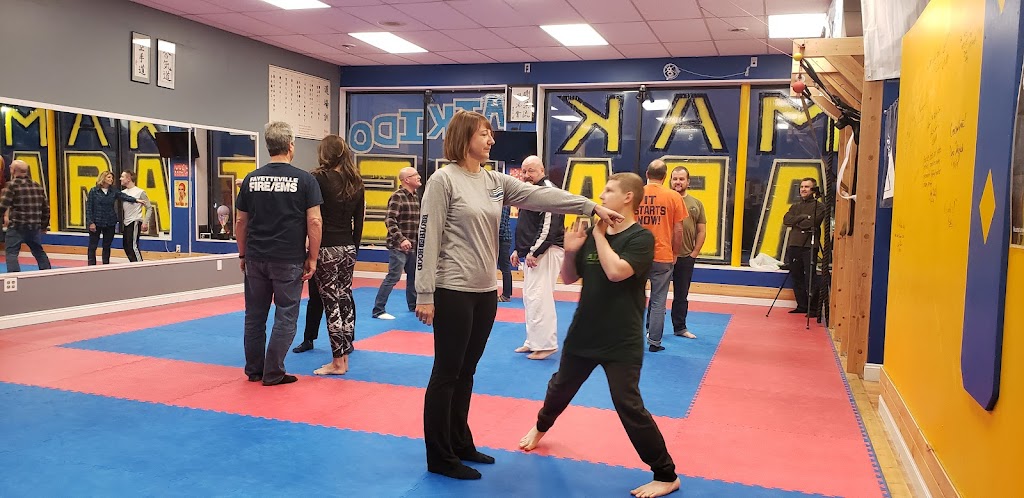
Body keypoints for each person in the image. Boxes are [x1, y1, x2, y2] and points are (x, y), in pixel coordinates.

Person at [415, 110, 624, 480]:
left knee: (467, 372)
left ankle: (460, 443)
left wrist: (590, 206)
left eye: (490, 133)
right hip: (451, 289)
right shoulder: (442, 181)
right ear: (464, 138)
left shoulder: (495, 181)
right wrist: (424, 292)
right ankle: (439, 455)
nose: (491, 140)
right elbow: (427, 237)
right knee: (447, 372)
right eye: (484, 134)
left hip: (484, 291)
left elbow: (543, 196)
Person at [518, 173, 681, 498]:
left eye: (609, 190)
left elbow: (616, 272)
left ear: (628, 197)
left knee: (628, 404)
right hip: (584, 332)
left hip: (621, 337)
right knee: (560, 388)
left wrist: (598, 234)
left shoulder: (641, 238)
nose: (602, 196)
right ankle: (540, 427)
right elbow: (568, 278)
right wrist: (570, 251)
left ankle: (666, 475)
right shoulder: (593, 235)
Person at [236, 121, 323, 386]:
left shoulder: (251, 179)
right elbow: (315, 221)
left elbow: (240, 221)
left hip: (256, 257)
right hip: (288, 258)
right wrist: (313, 257)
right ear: (290, 146)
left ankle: (254, 370)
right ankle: (273, 372)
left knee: (254, 316)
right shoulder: (305, 180)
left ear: (268, 146)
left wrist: (242, 254)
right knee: (286, 314)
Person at [309, 135, 365, 376]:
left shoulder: (318, 178)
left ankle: (337, 362)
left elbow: (313, 218)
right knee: (344, 299)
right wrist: (354, 249)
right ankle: (345, 355)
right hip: (348, 247)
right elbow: (359, 222)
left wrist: (310, 252)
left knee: (331, 303)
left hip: (326, 247)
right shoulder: (356, 181)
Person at [510, 155, 564, 360]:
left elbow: (550, 225)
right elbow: (527, 225)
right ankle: (533, 341)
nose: (526, 175)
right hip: (534, 252)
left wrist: (536, 252)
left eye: (531, 170)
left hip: (547, 251)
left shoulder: (547, 190)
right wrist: (519, 250)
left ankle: (546, 344)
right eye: (524, 171)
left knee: (540, 298)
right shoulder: (529, 191)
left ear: (542, 170)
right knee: (530, 297)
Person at [635, 159, 686, 352]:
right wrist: (675, 253)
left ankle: (629, 339)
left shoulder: (636, 194)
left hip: (637, 255)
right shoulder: (674, 197)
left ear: (647, 174)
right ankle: (654, 342)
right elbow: (678, 230)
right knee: (658, 301)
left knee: (633, 299)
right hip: (663, 255)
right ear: (665, 177)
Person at [371, 166, 422, 320]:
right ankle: (378, 310)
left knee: (414, 276)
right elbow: (390, 220)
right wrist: (401, 239)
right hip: (398, 246)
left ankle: (413, 305)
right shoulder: (397, 196)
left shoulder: (415, 196)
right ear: (407, 180)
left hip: (413, 245)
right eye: (415, 175)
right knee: (393, 276)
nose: (419, 177)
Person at [669, 166, 705, 339]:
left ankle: (680, 328)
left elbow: (701, 231)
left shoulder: (696, 204)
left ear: (688, 182)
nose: (678, 182)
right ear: (670, 181)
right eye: (675, 178)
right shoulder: (665, 201)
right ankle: (651, 329)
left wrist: (694, 253)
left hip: (685, 257)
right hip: (664, 256)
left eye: (681, 179)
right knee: (657, 295)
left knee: (681, 295)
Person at [782, 178, 826, 316]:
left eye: (807, 187)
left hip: (809, 245)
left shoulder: (819, 206)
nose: (803, 189)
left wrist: (797, 222)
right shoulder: (795, 206)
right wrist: (802, 217)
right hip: (794, 244)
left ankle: (813, 308)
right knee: (796, 276)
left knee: (810, 276)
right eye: (802, 187)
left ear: (813, 189)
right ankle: (801, 305)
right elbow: (786, 220)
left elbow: (812, 223)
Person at [1, 160, 51, 272]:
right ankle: (48, 273)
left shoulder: (11, 186)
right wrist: (43, 226)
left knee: (11, 253)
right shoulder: (37, 186)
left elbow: (3, 206)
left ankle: (14, 277)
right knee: (38, 251)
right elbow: (46, 208)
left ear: (13, 171)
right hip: (34, 226)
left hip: (17, 226)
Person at [86, 170, 146, 265]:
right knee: (93, 246)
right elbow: (89, 208)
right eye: (109, 177)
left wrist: (136, 200)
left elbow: (124, 196)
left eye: (112, 178)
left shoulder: (113, 191)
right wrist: (91, 222)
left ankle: (106, 265)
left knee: (107, 246)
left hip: (110, 222)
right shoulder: (94, 191)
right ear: (103, 178)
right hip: (96, 222)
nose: (111, 179)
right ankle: (91, 266)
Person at [119, 170, 150, 262]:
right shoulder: (123, 193)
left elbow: (149, 208)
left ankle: (140, 266)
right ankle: (133, 263)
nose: (120, 179)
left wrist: (145, 222)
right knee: (126, 245)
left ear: (128, 179)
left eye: (122, 177)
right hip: (127, 221)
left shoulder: (140, 192)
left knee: (133, 245)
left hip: (135, 220)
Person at [497, 205, 513, 302]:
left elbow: (501, 224)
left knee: (505, 267)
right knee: (505, 268)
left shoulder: (503, 204)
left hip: (502, 239)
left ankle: (506, 295)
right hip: (502, 238)